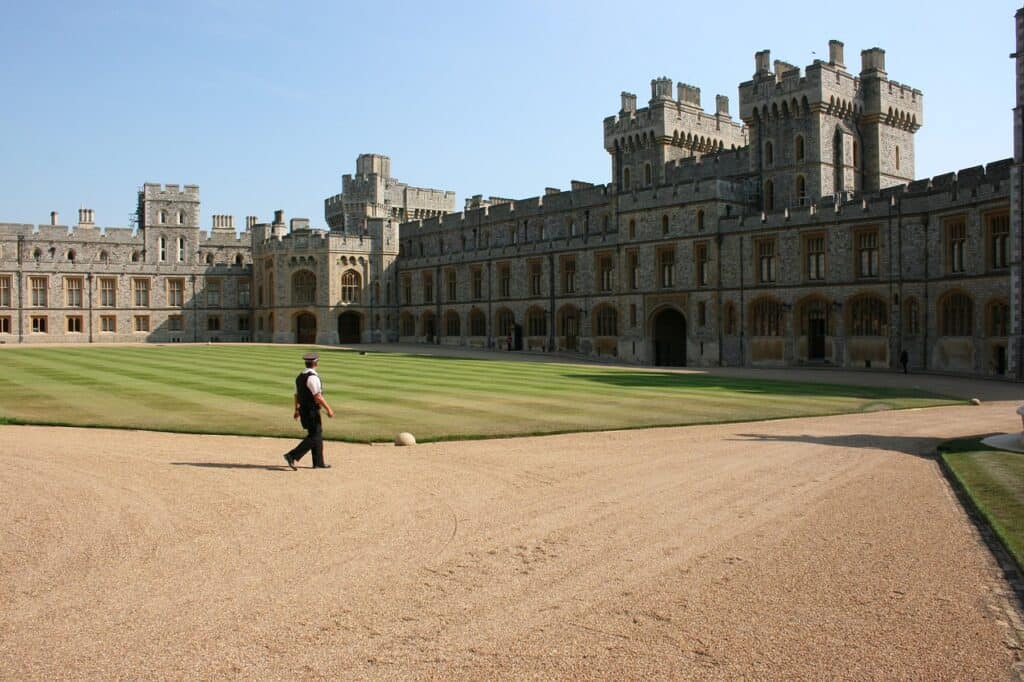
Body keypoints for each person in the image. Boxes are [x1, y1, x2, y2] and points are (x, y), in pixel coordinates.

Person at [283, 352, 334, 470]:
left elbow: (296, 395)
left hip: (303, 410)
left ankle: (318, 462)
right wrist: (329, 409)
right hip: (311, 410)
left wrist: (296, 410)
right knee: (315, 435)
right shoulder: (312, 377)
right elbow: (318, 396)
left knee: (316, 434)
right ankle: (292, 455)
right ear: (316, 363)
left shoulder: (299, 376)